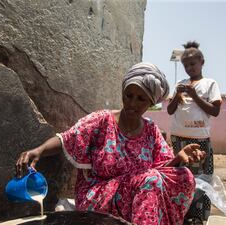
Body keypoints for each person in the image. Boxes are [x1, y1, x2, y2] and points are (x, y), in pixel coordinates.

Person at [15, 62, 206, 225]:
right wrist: (39, 150)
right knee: (150, 181)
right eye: (129, 95)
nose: (132, 103)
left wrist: (179, 158)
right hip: (97, 195)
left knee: (185, 177)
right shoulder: (102, 121)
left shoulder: (150, 130)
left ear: (150, 103)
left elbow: (162, 171)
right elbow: (67, 138)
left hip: (139, 193)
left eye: (141, 99)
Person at [167, 41, 222, 224]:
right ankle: (179, 213)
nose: (189, 68)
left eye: (193, 64)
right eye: (186, 65)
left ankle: (197, 218)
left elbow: (214, 111)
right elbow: (170, 110)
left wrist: (195, 95)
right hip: (178, 138)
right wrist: (177, 95)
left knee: (200, 180)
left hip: (200, 139)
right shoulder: (179, 84)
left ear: (202, 62)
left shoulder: (210, 84)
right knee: (179, 177)